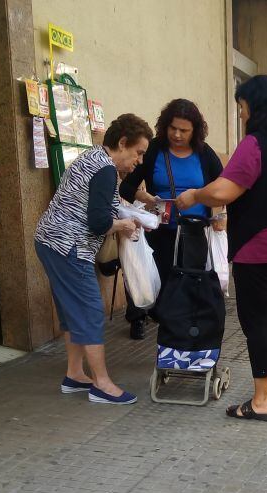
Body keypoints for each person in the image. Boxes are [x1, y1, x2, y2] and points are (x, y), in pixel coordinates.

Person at [175, 75, 267, 422]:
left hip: (260, 249)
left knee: (259, 321)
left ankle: (262, 401)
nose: (240, 114)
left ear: (255, 105)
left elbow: (223, 191)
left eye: (241, 106)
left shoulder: (255, 144)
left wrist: (194, 195)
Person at [34, 114, 153, 405]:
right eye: (138, 153)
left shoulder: (95, 158)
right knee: (89, 310)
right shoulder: (105, 170)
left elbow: (103, 204)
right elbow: (99, 222)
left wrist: (127, 213)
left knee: (72, 311)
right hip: (68, 246)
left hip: (51, 241)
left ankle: (75, 374)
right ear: (122, 143)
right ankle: (101, 384)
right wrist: (124, 226)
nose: (138, 161)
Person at [119, 98, 224, 339]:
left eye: (184, 130)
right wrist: (144, 197)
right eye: (172, 128)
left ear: (195, 130)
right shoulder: (154, 149)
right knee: (159, 283)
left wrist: (220, 214)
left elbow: (223, 187)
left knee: (191, 287)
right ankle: (147, 321)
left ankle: (186, 334)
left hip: (194, 233)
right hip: (160, 232)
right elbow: (127, 187)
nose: (177, 134)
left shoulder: (205, 154)